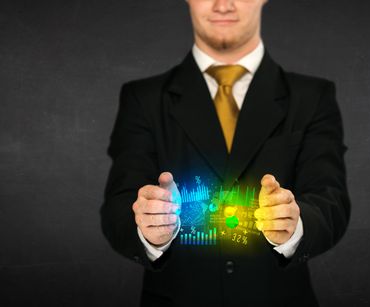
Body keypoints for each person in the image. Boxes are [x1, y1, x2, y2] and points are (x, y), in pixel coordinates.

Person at [100, 0, 351, 306]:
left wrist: (294, 225)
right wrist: (149, 230)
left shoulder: (312, 97)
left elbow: (331, 200)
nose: (223, 5)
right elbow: (118, 206)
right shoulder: (143, 98)